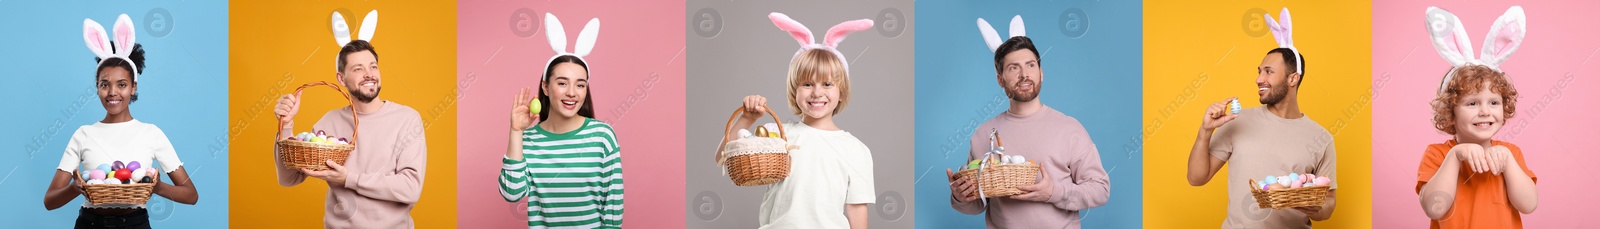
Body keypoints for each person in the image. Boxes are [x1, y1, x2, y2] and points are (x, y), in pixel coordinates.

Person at [947, 15, 1110, 229]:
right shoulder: (983, 134)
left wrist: (1053, 193)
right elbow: (977, 205)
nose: (1024, 74)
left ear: (1041, 73)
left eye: (1030, 65)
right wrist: (960, 196)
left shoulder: (1069, 128)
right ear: (1000, 79)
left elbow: (1100, 190)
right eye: (1013, 68)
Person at [273, 11, 428, 228]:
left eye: (373, 66)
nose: (369, 74)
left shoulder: (407, 119)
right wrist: (286, 125)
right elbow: (288, 179)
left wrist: (349, 179)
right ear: (341, 78)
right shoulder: (329, 123)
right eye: (358, 68)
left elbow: (410, 188)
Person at [1185, 8, 1337, 228]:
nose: (1258, 79)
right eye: (1259, 71)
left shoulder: (1321, 137)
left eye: (1268, 71)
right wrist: (1205, 131)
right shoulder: (1238, 121)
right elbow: (1196, 178)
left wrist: (1314, 207)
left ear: (1293, 78)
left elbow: (1329, 203)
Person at [45, 14, 199, 229]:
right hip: (89, 224)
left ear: (133, 87)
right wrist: (74, 188)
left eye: (122, 84)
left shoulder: (151, 133)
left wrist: (155, 187)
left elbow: (190, 195)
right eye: (104, 84)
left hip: (135, 224)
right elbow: (49, 201)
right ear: (97, 87)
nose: (112, 92)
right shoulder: (83, 134)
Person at [721, 13, 874, 229]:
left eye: (828, 84)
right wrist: (746, 119)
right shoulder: (778, 136)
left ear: (841, 92)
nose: (817, 92)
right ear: (794, 91)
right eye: (807, 84)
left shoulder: (856, 149)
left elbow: (857, 208)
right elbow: (724, 156)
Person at [1414, 6, 1537, 229]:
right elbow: (1434, 208)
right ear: (1451, 112)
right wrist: (1454, 156)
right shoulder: (1437, 154)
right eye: (1472, 103)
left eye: (1493, 102)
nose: (1484, 111)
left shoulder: (1511, 154)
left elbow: (1528, 205)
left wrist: (1508, 162)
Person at [498, 13, 624, 228]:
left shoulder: (602, 136)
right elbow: (512, 193)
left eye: (580, 85)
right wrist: (516, 132)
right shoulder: (527, 140)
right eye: (562, 83)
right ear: (546, 87)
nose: (572, 93)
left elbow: (612, 207)